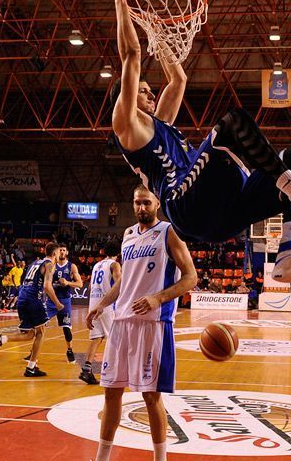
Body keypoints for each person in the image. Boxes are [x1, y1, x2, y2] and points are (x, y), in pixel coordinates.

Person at [111, 0, 291, 286]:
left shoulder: (159, 124)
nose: (151, 93)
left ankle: (290, 253)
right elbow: (131, 56)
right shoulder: (126, 126)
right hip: (185, 206)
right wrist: (120, 2)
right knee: (232, 124)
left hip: (219, 214)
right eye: (143, 90)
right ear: (124, 99)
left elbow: (178, 79)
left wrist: (156, 31)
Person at [86, 185, 197, 461]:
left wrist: (158, 299)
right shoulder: (127, 235)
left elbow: (191, 277)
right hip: (121, 323)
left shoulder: (169, 232)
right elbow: (124, 281)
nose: (141, 208)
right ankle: (101, 458)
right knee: (111, 393)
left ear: (157, 203)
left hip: (153, 323)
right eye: (137, 203)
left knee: (151, 397)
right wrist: (101, 305)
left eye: (146, 203)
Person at [0, 242, 64, 377]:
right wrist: (57, 303)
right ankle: (31, 367)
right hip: (33, 298)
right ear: (54, 254)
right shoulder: (49, 265)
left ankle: (1, 339)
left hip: (22, 298)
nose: (60, 255)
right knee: (41, 332)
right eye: (59, 253)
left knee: (29, 334)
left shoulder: (35, 263)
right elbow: (47, 286)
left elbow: (26, 281)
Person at [80, 241, 121, 385]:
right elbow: (119, 283)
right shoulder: (114, 265)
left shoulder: (97, 265)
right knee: (115, 339)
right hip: (107, 305)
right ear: (119, 253)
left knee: (96, 338)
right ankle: (113, 371)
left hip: (93, 304)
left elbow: (91, 287)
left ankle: (86, 369)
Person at [45, 246, 83, 363]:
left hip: (65, 300)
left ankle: (69, 350)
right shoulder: (52, 265)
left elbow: (80, 284)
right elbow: (47, 282)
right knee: (40, 323)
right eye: (60, 250)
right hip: (52, 299)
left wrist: (67, 282)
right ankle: (32, 352)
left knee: (66, 328)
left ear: (67, 252)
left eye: (63, 250)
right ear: (57, 252)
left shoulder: (71, 266)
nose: (61, 252)